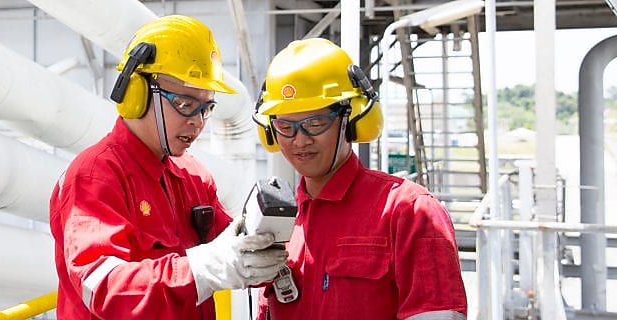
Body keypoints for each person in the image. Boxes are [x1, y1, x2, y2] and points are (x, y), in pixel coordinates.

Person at [50, 15, 289, 320]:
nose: (198, 122)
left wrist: (259, 252)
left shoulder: (193, 176)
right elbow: (105, 290)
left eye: (206, 108)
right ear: (137, 93)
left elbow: (232, 252)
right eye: (186, 105)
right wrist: (204, 269)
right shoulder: (95, 176)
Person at [251, 38, 467, 319]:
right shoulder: (281, 226)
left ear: (351, 121)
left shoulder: (409, 211)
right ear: (269, 130)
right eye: (284, 126)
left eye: (315, 123)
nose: (300, 140)